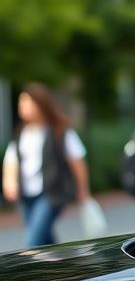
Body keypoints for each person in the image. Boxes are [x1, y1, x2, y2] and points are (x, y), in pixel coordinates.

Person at [2, 83, 90, 247]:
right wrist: (9, 182)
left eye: (26, 102)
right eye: (21, 103)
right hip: (26, 195)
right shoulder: (21, 133)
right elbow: (11, 160)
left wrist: (83, 192)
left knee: (33, 241)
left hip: (51, 194)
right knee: (46, 241)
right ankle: (61, 269)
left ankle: (34, 271)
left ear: (40, 104)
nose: (22, 107)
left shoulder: (59, 131)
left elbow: (77, 162)